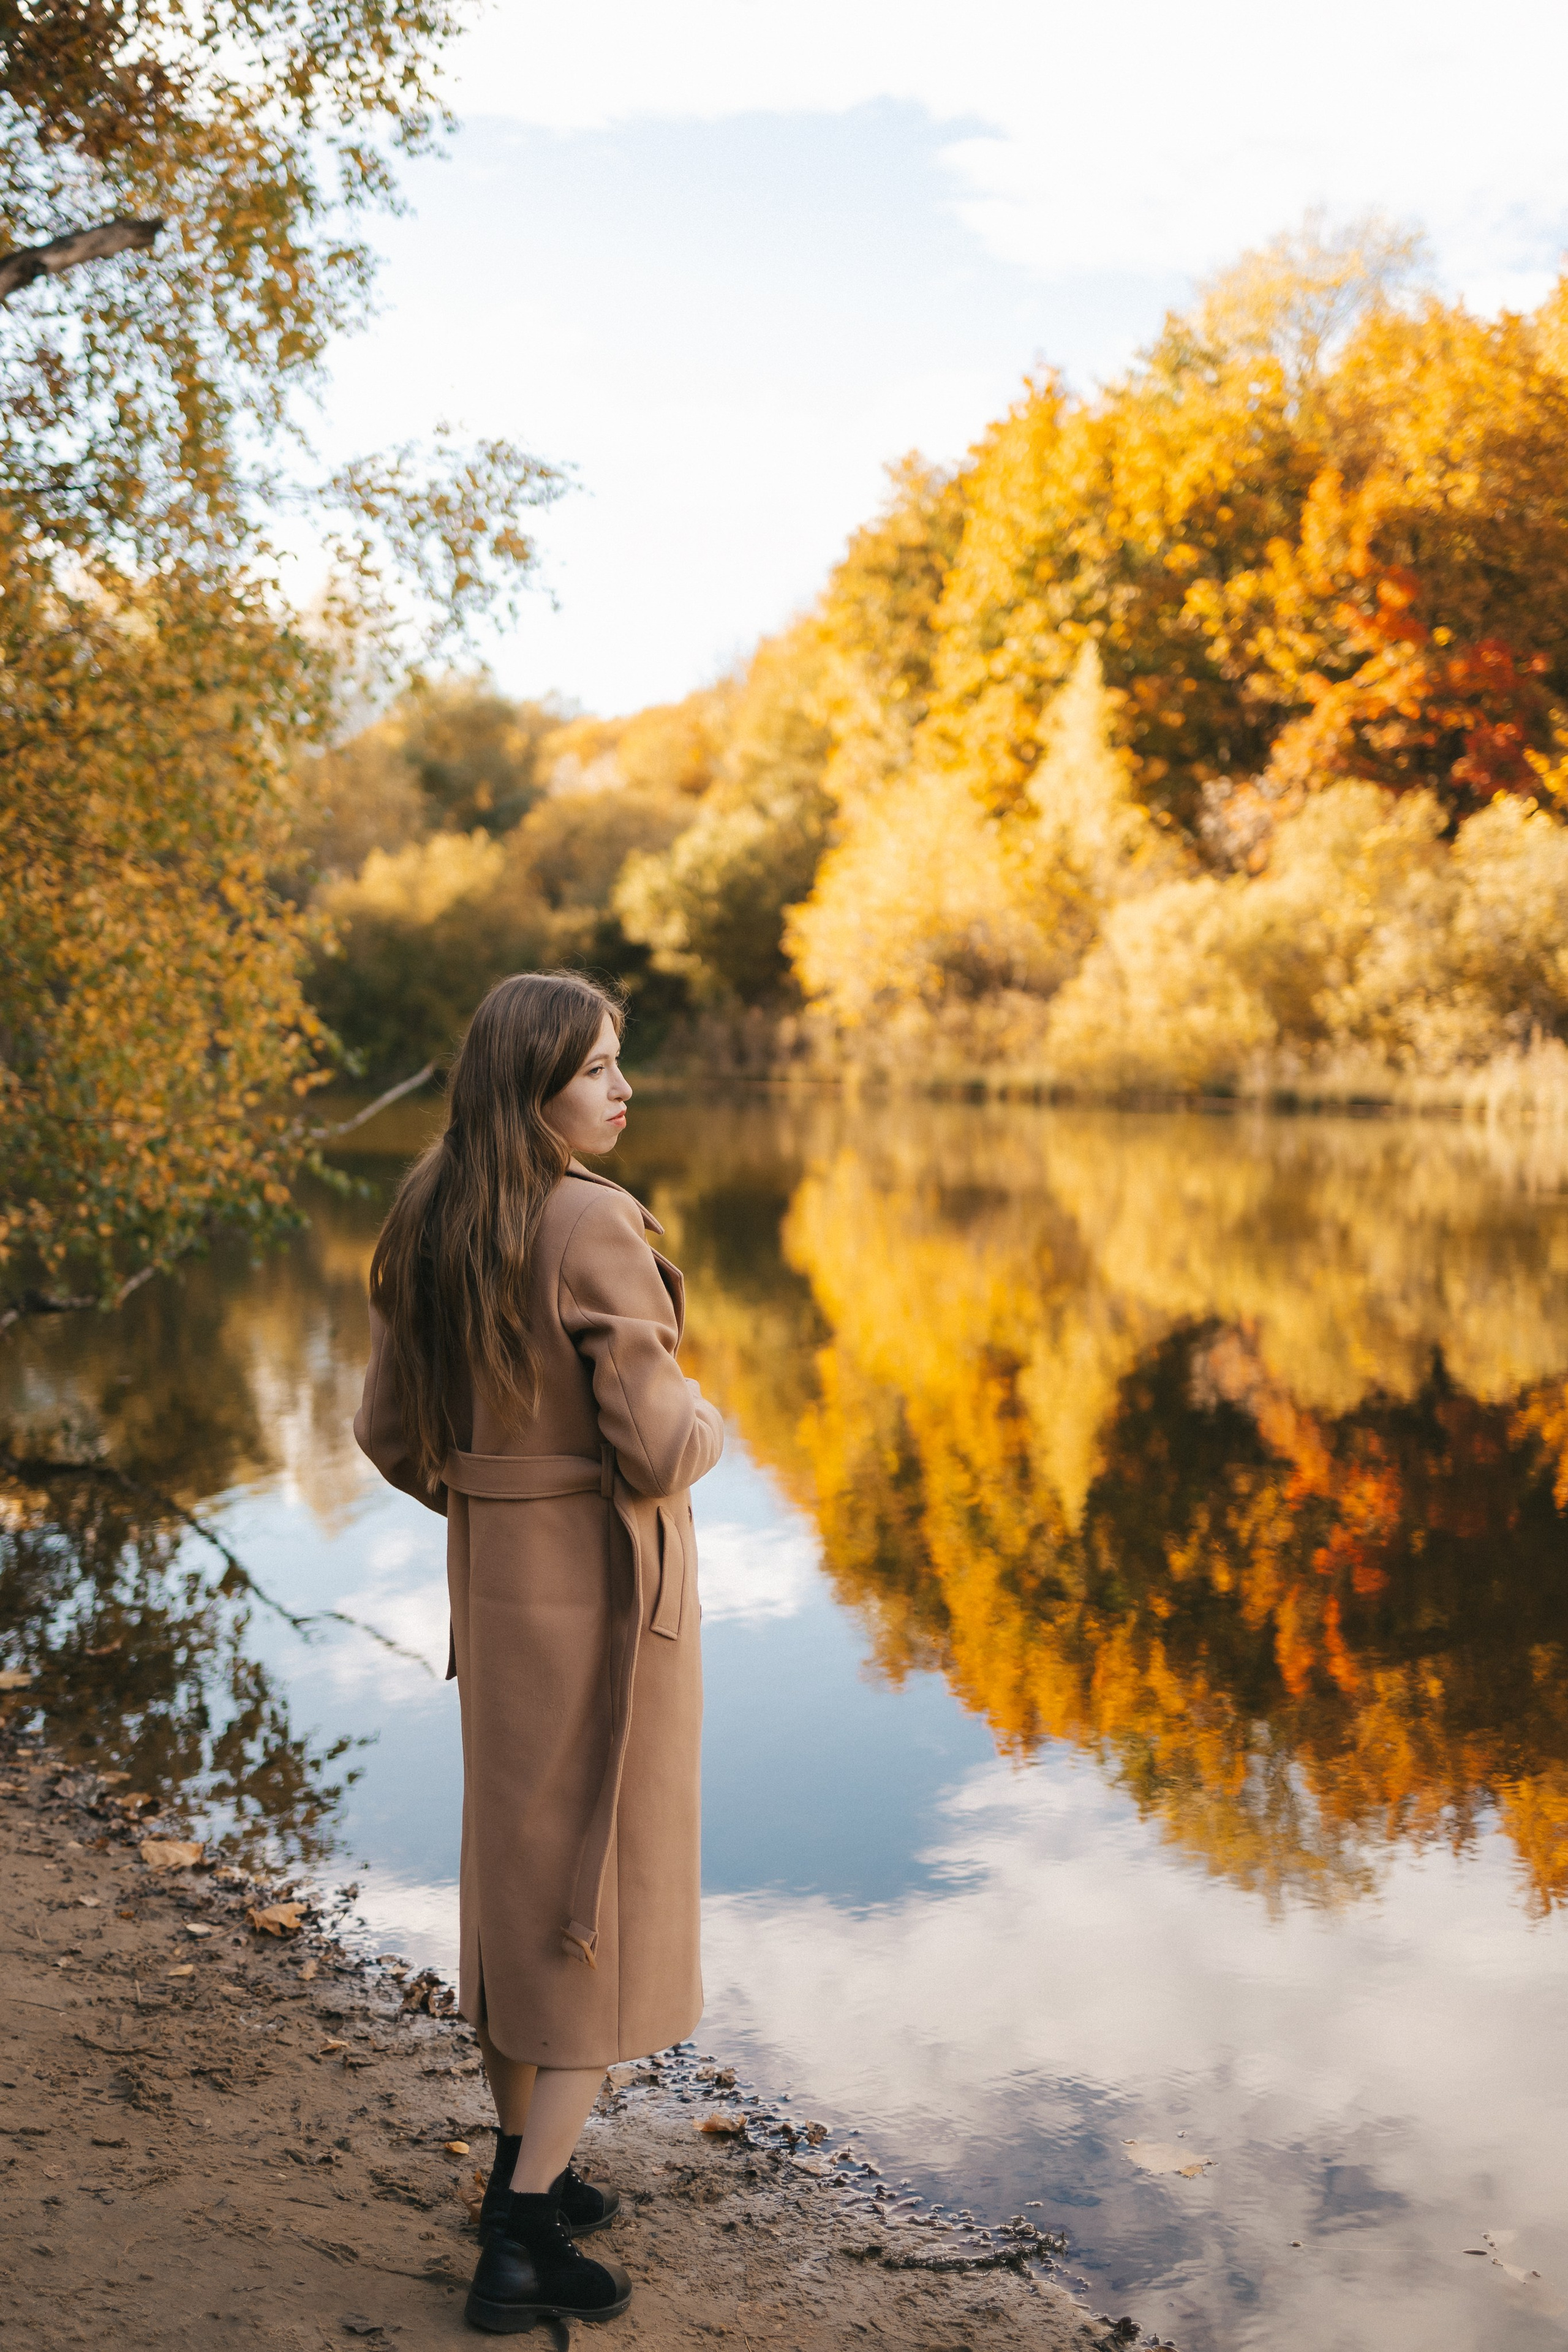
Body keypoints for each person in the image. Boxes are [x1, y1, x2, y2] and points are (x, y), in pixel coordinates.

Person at [353, 970, 725, 2332]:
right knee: (595, 1906)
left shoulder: (432, 1205)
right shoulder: (591, 1221)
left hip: (498, 1593)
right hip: (607, 1610)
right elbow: (652, 1439)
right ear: (534, 1087)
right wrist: (715, 1427)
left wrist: (494, 1502)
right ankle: (515, 2244)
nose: (622, 1091)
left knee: (525, 1880)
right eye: (597, 1072)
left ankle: (531, 2167)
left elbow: (391, 1439)